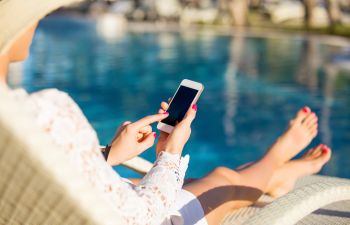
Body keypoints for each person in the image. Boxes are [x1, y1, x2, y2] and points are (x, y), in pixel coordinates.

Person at [0, 0, 331, 224]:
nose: (38, 20)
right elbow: (143, 214)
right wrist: (169, 153)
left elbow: (35, 171)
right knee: (224, 182)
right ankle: (278, 161)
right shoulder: (46, 112)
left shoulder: (14, 119)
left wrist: (109, 154)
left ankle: (275, 176)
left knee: (182, 180)